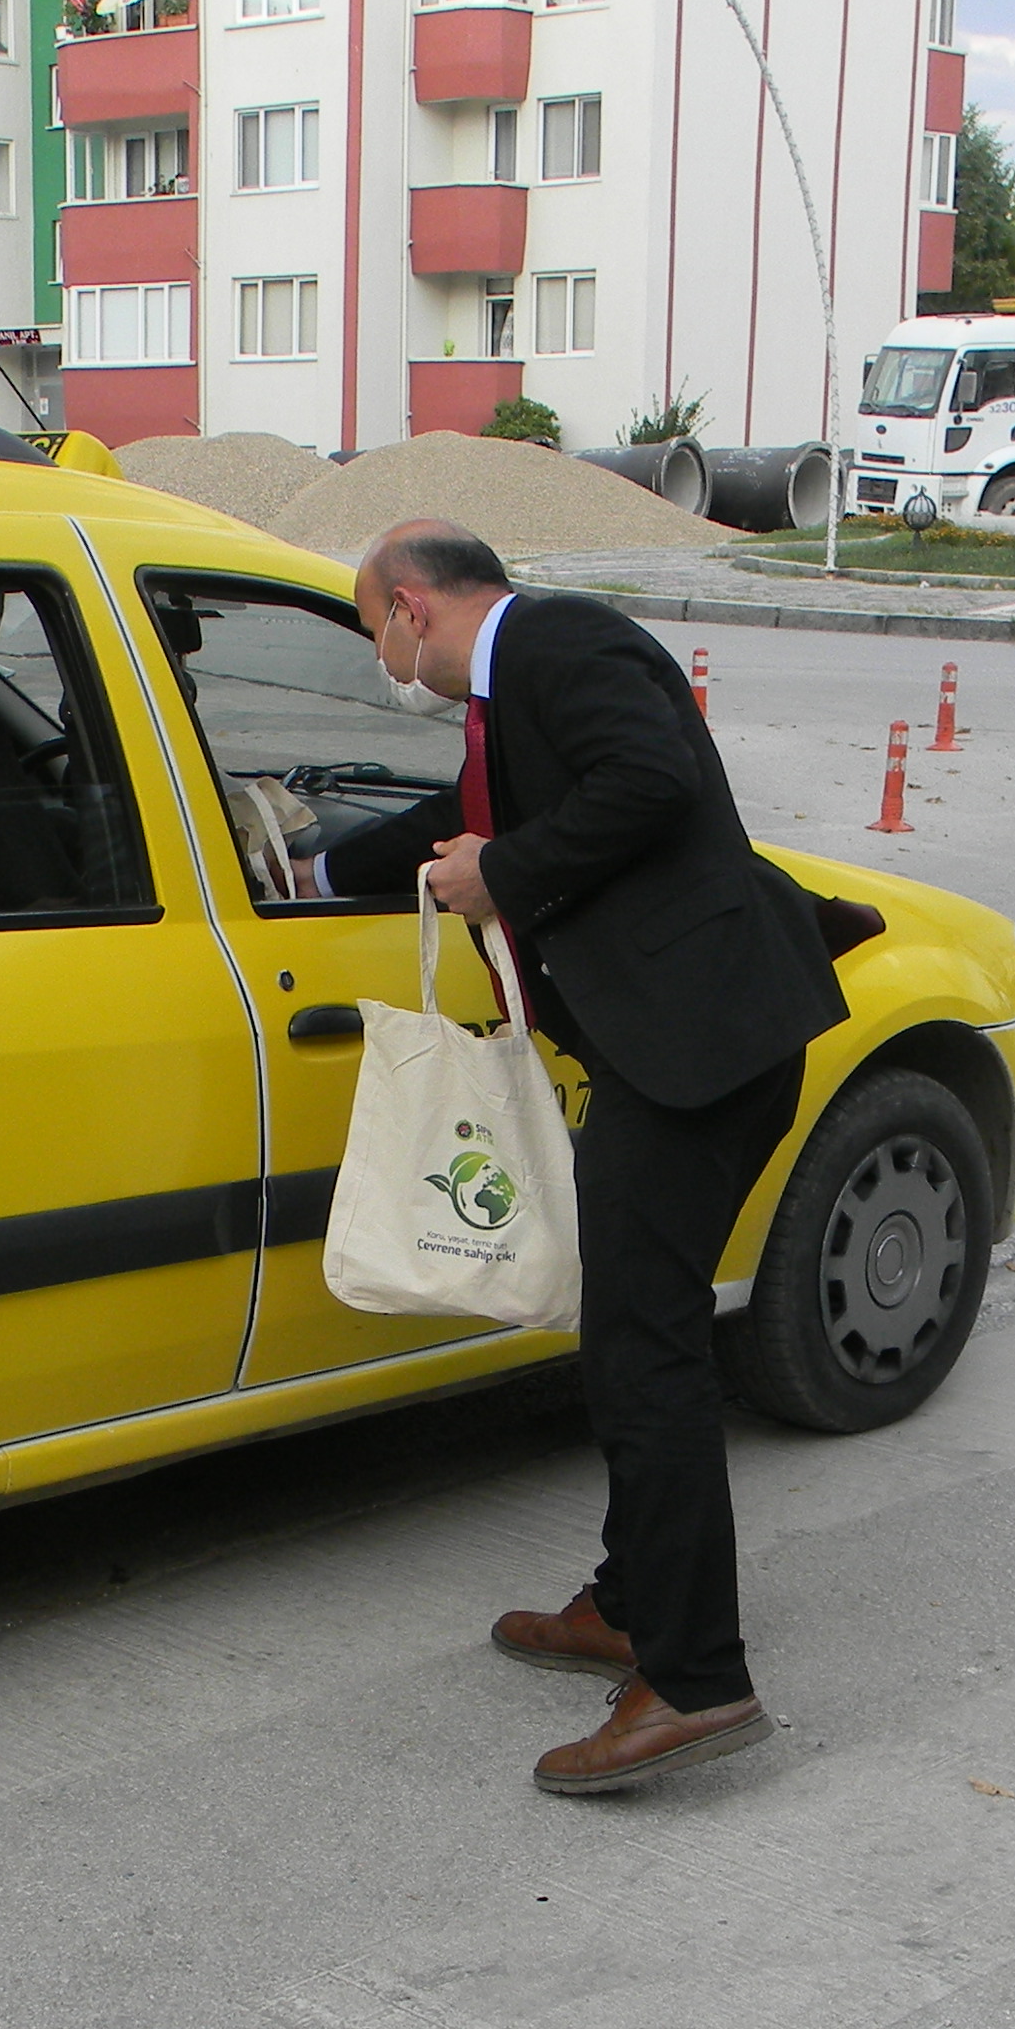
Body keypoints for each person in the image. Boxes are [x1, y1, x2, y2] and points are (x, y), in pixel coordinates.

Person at [318, 522, 853, 1794]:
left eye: (372, 636)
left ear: (409, 607)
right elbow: (475, 815)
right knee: (630, 1330)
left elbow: (649, 781)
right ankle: (627, 1604)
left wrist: (500, 873)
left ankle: (695, 1677)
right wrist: (315, 855)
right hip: (684, 1043)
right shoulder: (518, 686)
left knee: (642, 1346)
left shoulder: (560, 639)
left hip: (700, 1049)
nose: (383, 661)